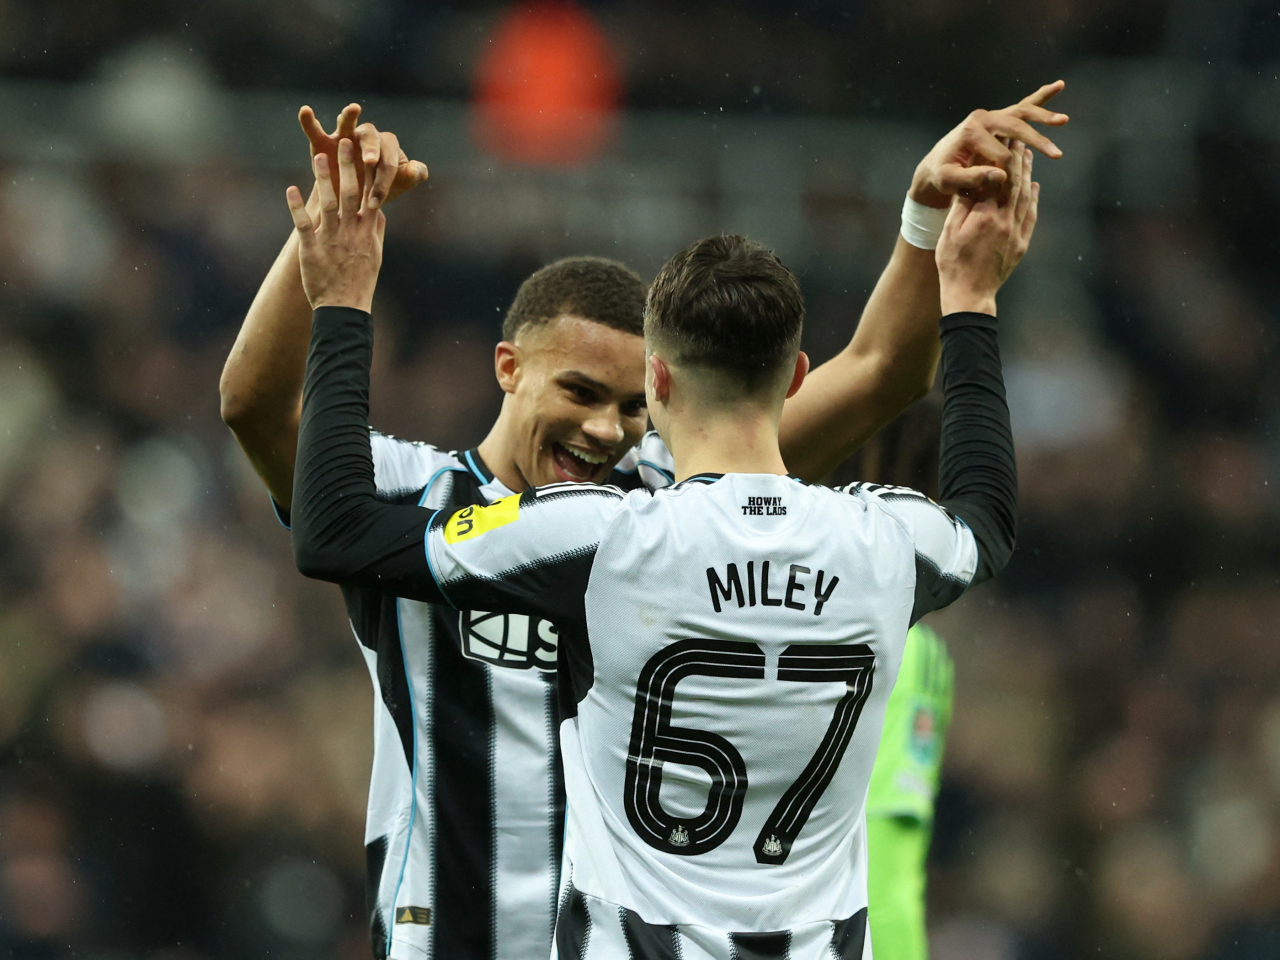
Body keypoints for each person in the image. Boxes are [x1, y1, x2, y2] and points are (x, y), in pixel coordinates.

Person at [220, 86, 1065, 959]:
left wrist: (922, 218)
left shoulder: (656, 510)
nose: (604, 429)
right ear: (509, 368)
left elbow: (885, 369)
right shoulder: (407, 491)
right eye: (579, 393)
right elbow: (252, 403)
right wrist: (326, 247)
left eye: (629, 407)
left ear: (662, 392)